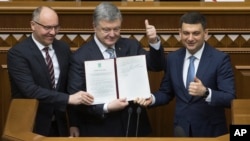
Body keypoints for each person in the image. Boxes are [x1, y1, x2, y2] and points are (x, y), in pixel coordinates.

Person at [67, 2, 165, 137]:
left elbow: (156, 66)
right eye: (106, 30)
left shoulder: (131, 46)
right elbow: (76, 99)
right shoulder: (80, 57)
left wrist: (154, 41)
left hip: (134, 125)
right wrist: (106, 107)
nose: (112, 34)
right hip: (100, 129)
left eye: (116, 29)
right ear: (94, 27)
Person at [135, 11, 236, 137]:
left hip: (211, 132)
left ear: (206, 34)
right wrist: (152, 99)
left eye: (196, 33)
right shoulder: (173, 58)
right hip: (181, 131)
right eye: (186, 33)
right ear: (179, 33)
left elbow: (230, 98)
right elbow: (166, 92)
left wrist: (206, 92)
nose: (190, 38)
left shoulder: (220, 59)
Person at [7, 6, 94, 137]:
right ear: (33, 25)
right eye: (47, 27)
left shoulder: (63, 48)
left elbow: (68, 88)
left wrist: (73, 123)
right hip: (31, 125)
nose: (53, 32)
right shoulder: (17, 54)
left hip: (59, 125)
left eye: (56, 27)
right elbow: (30, 90)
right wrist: (68, 99)